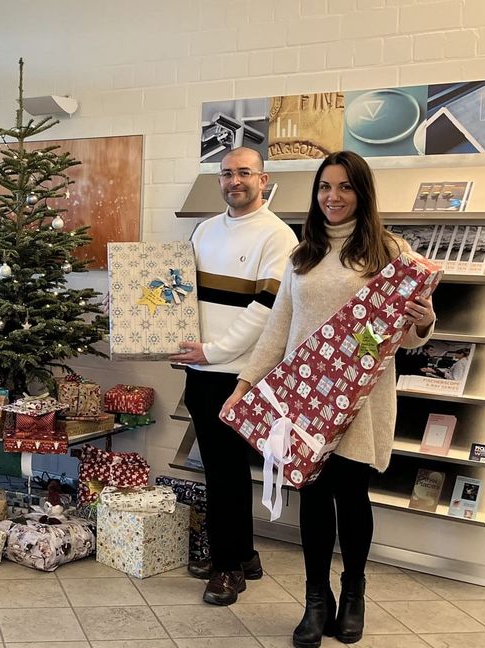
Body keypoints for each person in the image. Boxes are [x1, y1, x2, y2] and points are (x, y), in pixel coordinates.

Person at [222, 151, 436, 648]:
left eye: (344, 187)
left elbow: (406, 336)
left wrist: (422, 320)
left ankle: (353, 592)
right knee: (314, 499)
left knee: (352, 498)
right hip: (303, 401)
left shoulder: (390, 252)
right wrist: (246, 384)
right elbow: (278, 328)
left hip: (362, 403)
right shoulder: (304, 253)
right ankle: (316, 601)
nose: (332, 197)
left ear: (362, 193)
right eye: (324, 187)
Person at [171, 146, 298, 606]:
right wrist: (150, 328)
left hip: (239, 375)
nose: (235, 181)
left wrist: (213, 351)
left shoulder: (278, 237)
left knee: (224, 471)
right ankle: (242, 553)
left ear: (263, 180)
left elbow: (265, 312)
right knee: (220, 467)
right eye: (226, 174)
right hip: (201, 369)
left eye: (245, 172)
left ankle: (228, 569)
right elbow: (177, 294)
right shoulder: (205, 230)